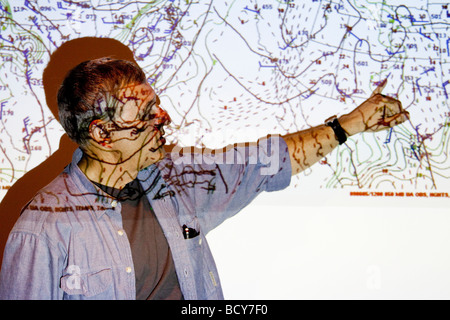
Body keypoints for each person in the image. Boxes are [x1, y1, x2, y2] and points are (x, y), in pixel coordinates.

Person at [0, 57, 408, 300]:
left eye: (156, 105)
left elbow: (266, 162)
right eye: (146, 116)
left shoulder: (176, 180)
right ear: (102, 136)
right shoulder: (41, 230)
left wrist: (349, 124)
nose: (164, 119)